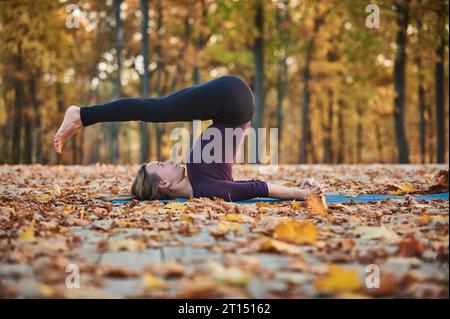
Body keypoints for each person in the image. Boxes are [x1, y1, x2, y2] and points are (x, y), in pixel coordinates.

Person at [53, 75, 325, 203]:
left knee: (157, 109)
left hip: (231, 101)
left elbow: (255, 187)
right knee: (156, 108)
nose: (169, 159)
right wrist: (302, 193)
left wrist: (300, 193)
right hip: (231, 99)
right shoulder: (207, 189)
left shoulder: (200, 180)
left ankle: (82, 115)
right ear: (165, 183)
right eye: (161, 164)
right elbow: (256, 187)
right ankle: (81, 115)